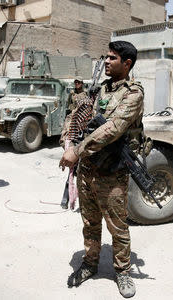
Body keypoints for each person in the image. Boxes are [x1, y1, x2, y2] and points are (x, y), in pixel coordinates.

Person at [59, 41, 144, 298]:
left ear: (127, 63)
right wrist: (67, 141)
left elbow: (113, 128)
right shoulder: (98, 90)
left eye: (112, 58)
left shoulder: (134, 93)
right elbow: (74, 115)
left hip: (112, 172)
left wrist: (76, 150)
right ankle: (90, 263)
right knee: (90, 222)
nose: (106, 61)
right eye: (105, 57)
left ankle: (123, 271)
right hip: (88, 170)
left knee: (117, 227)